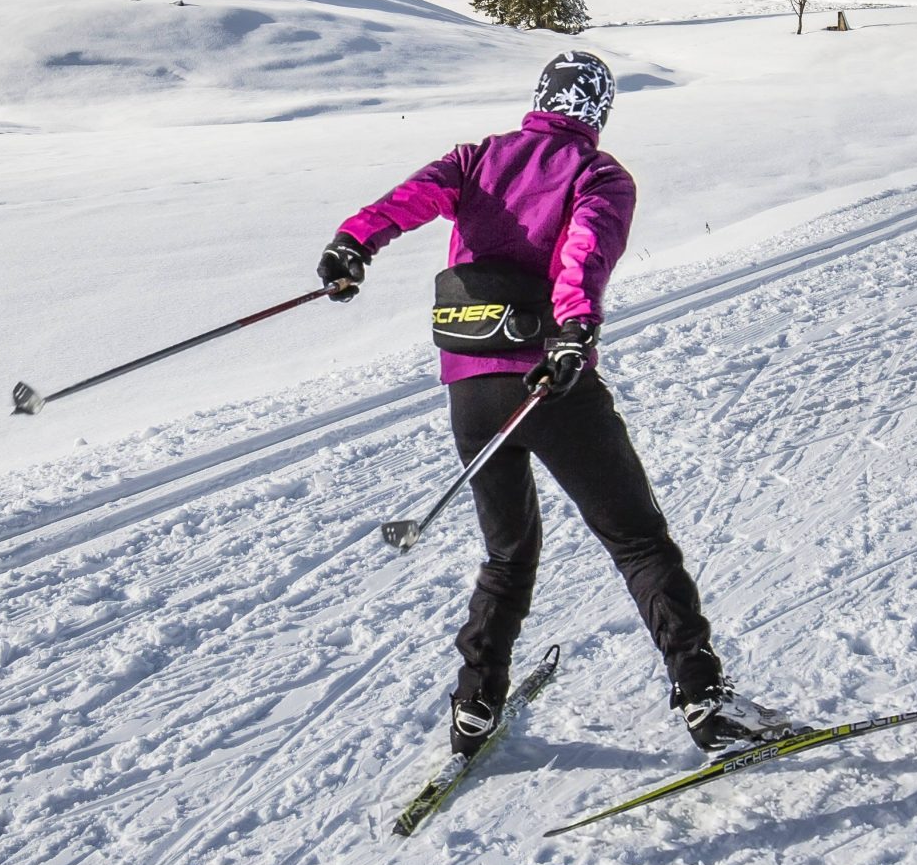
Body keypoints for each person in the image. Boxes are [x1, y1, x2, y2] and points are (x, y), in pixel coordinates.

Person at [318, 52, 782, 758]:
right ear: (596, 112)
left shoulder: (480, 157)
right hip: (550, 378)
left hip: (471, 385)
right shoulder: (599, 175)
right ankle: (703, 695)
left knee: (508, 550)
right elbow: (584, 250)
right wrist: (572, 327)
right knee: (635, 538)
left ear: (540, 98)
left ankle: (475, 704)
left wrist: (354, 242)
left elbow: (412, 197)